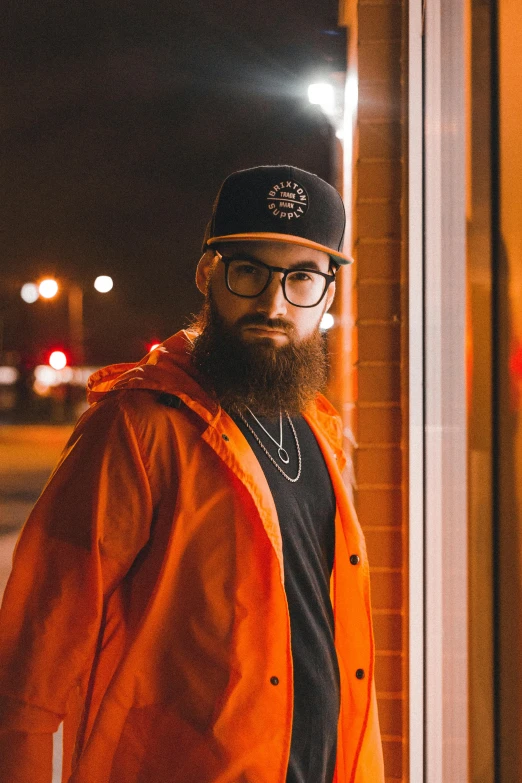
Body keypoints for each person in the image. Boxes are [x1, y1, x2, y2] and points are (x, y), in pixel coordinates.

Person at [0, 165, 384, 783]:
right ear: (208, 273)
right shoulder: (138, 426)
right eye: (250, 270)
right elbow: (39, 643)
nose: (274, 301)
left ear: (329, 293)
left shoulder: (320, 431)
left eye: (302, 278)